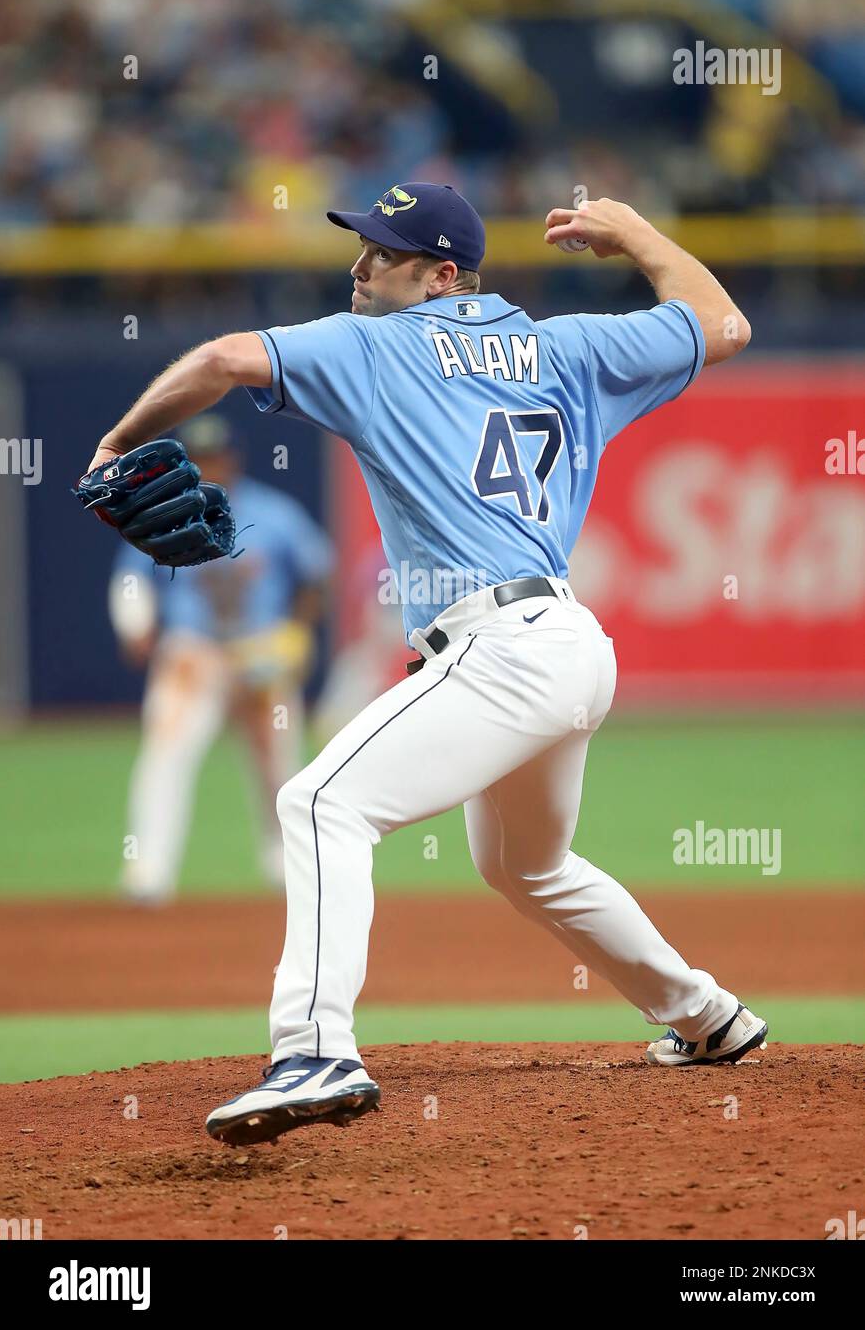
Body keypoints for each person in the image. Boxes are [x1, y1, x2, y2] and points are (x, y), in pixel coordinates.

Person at [86, 182, 767, 1146]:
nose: (360, 266)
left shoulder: (375, 344)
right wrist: (639, 234)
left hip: (501, 650)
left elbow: (223, 358)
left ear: (441, 275)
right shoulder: (570, 345)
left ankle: (314, 1050)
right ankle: (706, 1017)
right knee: (526, 864)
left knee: (320, 804)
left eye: (382, 252)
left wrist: (116, 444)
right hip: (571, 644)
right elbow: (722, 324)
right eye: (362, 246)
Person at [109, 414, 333, 903]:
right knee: (166, 756)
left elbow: (316, 574)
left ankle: (285, 868)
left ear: (233, 456)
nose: (210, 464)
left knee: (280, 767)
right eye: (200, 457)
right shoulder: (159, 512)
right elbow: (130, 581)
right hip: (194, 658)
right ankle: (149, 870)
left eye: (217, 455)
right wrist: (136, 622)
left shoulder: (273, 512)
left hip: (261, 657)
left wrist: (295, 631)